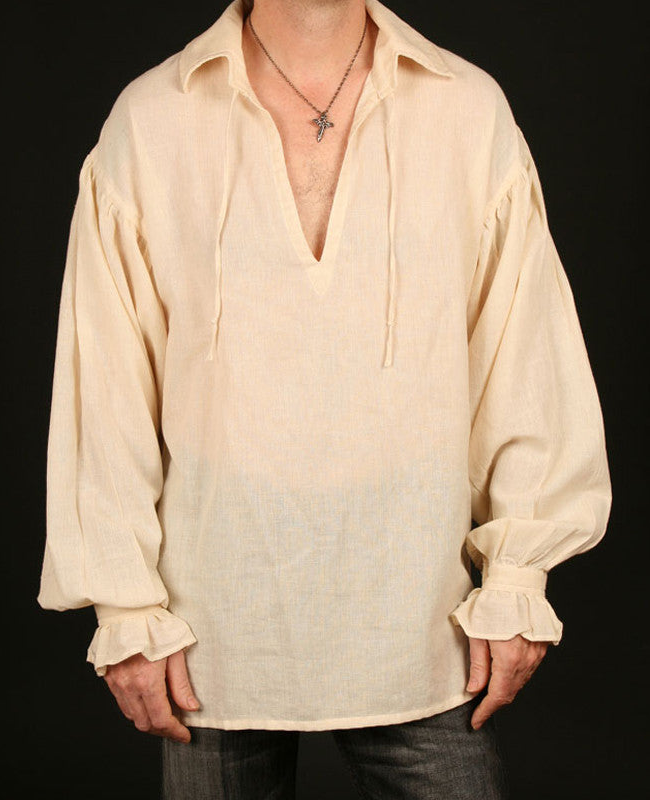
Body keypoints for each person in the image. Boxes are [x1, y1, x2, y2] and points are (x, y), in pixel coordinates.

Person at [37, 0, 612, 797]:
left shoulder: (468, 112)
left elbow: (524, 358)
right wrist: (124, 610)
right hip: (213, 631)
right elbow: (106, 385)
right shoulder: (151, 120)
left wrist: (518, 578)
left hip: (421, 623)